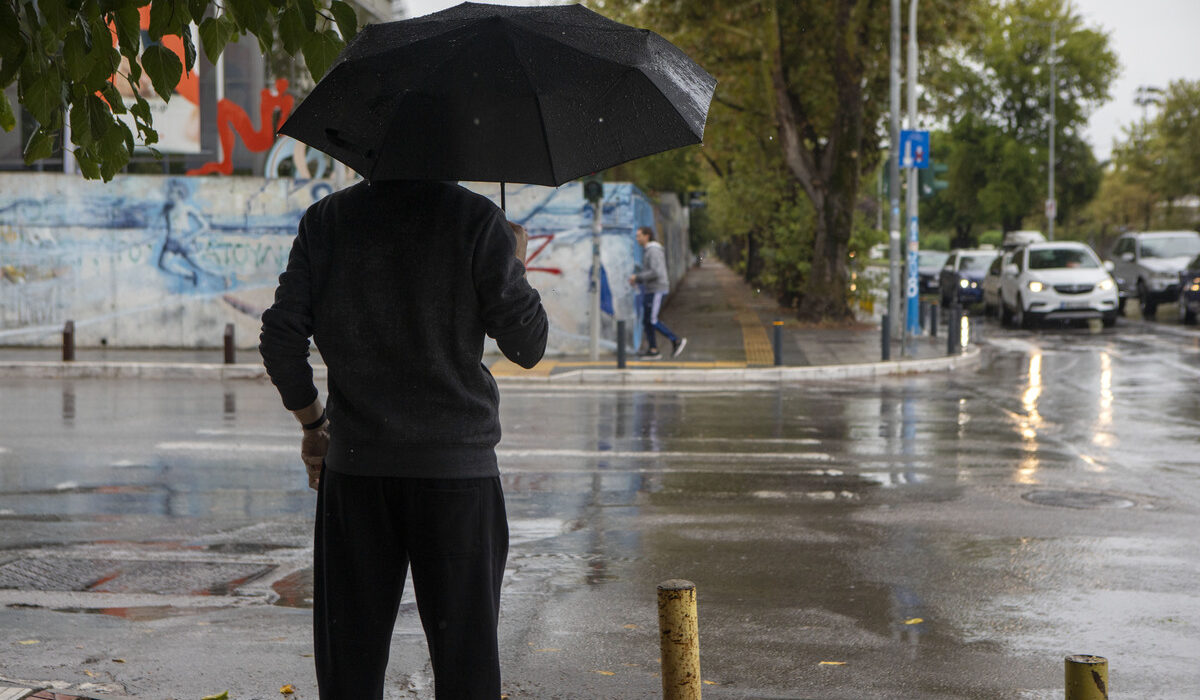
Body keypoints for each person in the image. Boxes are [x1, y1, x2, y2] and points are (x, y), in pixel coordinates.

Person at [259, 179, 547, 699]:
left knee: (350, 670)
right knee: (467, 668)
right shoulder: (477, 220)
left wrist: (313, 424)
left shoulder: (327, 220)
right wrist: (513, 260)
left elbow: (281, 337)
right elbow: (527, 346)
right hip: (458, 479)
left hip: (357, 473)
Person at [629, 226, 686, 359]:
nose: (637, 239)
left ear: (647, 236)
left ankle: (676, 340)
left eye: (639, 236)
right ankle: (653, 350)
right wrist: (638, 279)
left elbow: (656, 272)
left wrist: (637, 277)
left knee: (652, 320)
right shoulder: (648, 250)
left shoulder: (653, 251)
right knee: (646, 321)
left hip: (657, 290)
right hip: (651, 290)